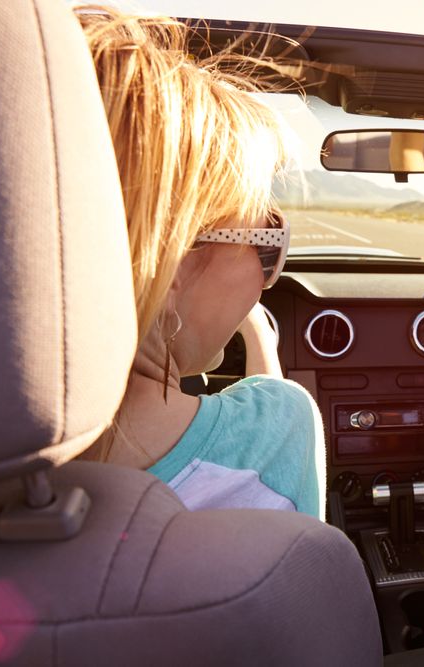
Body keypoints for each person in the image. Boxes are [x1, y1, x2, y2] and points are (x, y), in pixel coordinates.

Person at [78, 8, 326, 519]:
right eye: (263, 244)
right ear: (169, 264)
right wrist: (259, 337)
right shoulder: (273, 430)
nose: (264, 280)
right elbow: (276, 412)